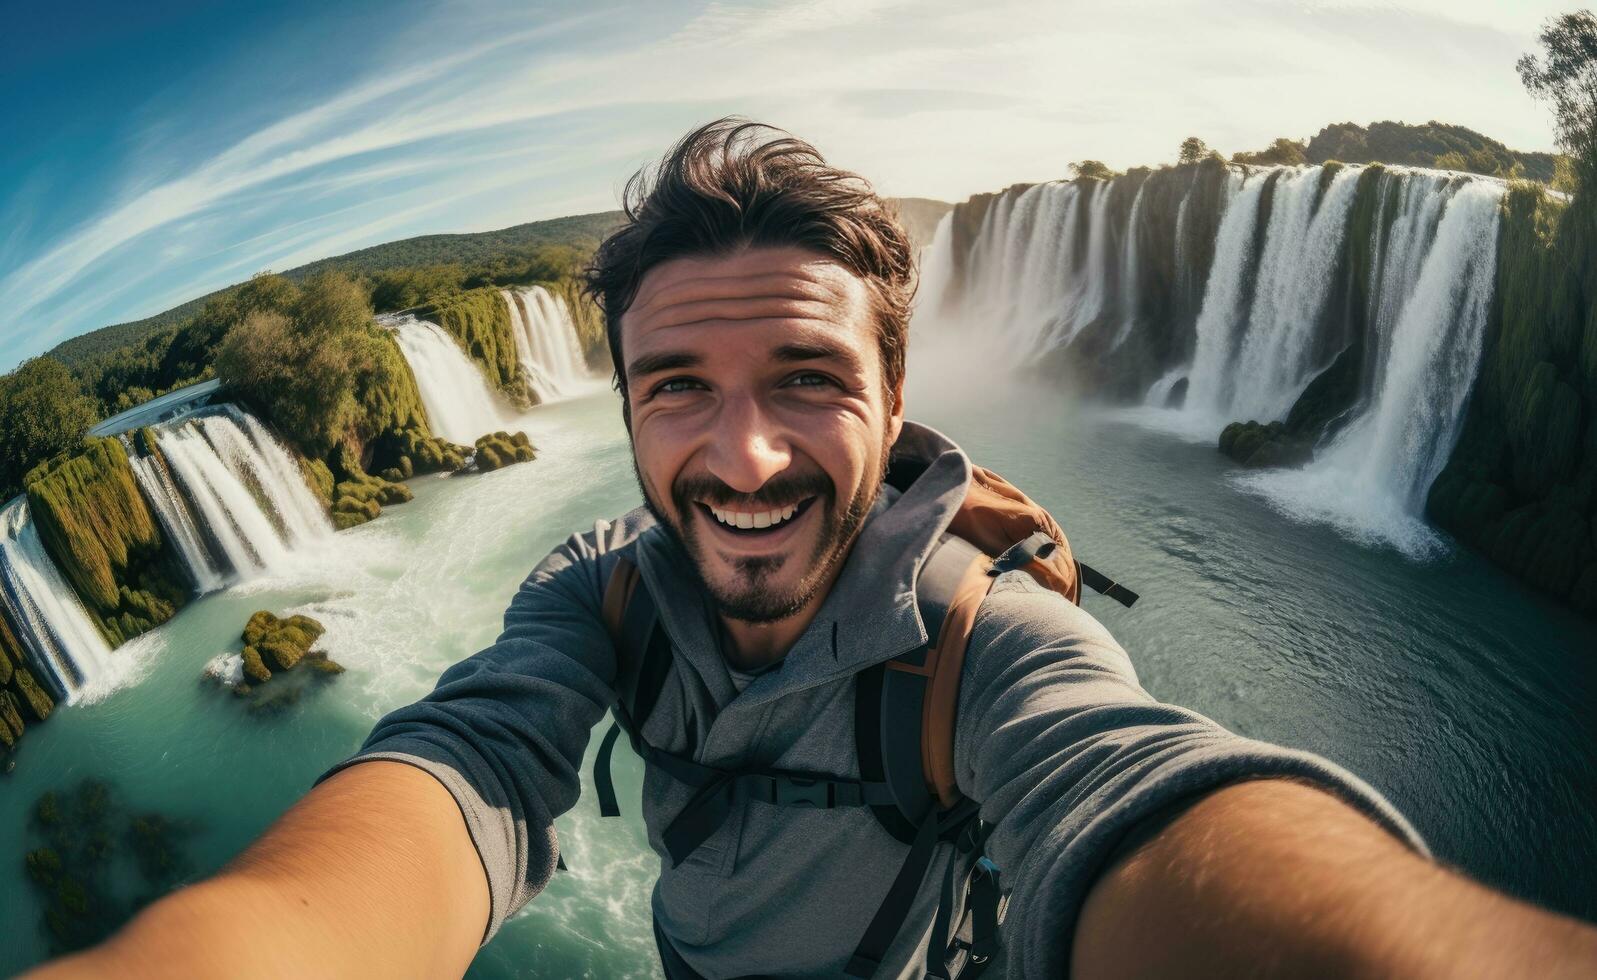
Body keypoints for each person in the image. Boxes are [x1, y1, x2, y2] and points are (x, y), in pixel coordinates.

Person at [28, 119, 1597, 980]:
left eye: (806, 379)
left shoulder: (990, 640)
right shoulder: (596, 588)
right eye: (677, 391)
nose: (744, 455)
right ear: (626, 417)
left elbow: (1126, 788)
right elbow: (464, 774)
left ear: (896, 395)